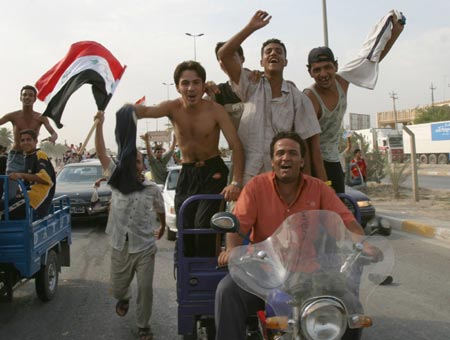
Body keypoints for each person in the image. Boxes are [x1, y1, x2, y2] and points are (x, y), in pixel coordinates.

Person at [215, 131, 375, 340]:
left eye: (292, 153)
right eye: (280, 153)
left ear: (301, 161)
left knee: (350, 307)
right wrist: (233, 251)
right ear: (272, 161)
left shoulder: (318, 189)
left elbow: (346, 223)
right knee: (227, 291)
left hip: (310, 274)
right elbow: (238, 227)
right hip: (265, 272)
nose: (286, 157)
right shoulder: (256, 187)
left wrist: (362, 244)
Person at [134, 60, 244, 256]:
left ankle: (208, 273)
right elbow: (147, 111)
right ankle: (187, 277)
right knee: (184, 225)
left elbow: (236, 145)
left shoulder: (215, 110)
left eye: (196, 82)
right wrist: (127, 111)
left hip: (213, 171)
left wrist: (236, 181)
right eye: (185, 83)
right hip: (187, 172)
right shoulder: (172, 108)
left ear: (203, 86)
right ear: (178, 87)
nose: (191, 88)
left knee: (204, 226)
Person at [217, 10, 326, 185]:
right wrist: (251, 27)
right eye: (268, 52)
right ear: (261, 62)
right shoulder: (250, 85)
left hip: (282, 180)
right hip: (246, 177)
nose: (273, 54)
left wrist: (309, 187)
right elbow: (224, 54)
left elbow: (304, 147)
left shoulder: (298, 99)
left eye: (278, 52)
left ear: (286, 61)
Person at [304, 10, 405, 193]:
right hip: (313, 163)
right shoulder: (311, 98)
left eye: (328, 67)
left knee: (338, 211)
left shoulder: (342, 82)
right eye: (317, 70)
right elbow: (312, 144)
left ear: (336, 66)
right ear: (310, 72)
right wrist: (323, 181)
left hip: (333, 160)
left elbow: (373, 58)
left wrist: (395, 32)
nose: (323, 74)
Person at [95, 109, 166, 340]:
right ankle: (123, 297)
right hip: (119, 245)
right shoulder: (116, 180)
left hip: (145, 246)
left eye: (137, 160)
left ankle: (143, 326)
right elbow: (101, 153)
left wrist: (163, 226)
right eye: (130, 159)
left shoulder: (152, 189)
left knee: (145, 289)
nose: (133, 162)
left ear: (141, 165)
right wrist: (99, 125)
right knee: (117, 288)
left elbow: (160, 209)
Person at [0, 85, 58, 199]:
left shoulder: (41, 117)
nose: (27, 97)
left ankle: (32, 214)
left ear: (35, 99)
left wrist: (53, 138)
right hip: (16, 157)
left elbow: (53, 132)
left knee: (33, 191)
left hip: (33, 158)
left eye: (30, 95)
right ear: (20, 98)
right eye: (24, 95)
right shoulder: (13, 116)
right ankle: (6, 214)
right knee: (9, 193)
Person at [0, 129, 55, 220]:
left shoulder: (40, 154)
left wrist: (21, 175)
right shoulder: (28, 157)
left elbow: (46, 179)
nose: (25, 142)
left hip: (35, 201)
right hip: (26, 197)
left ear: (36, 141)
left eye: (28, 139)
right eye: (22, 140)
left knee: (2, 210)